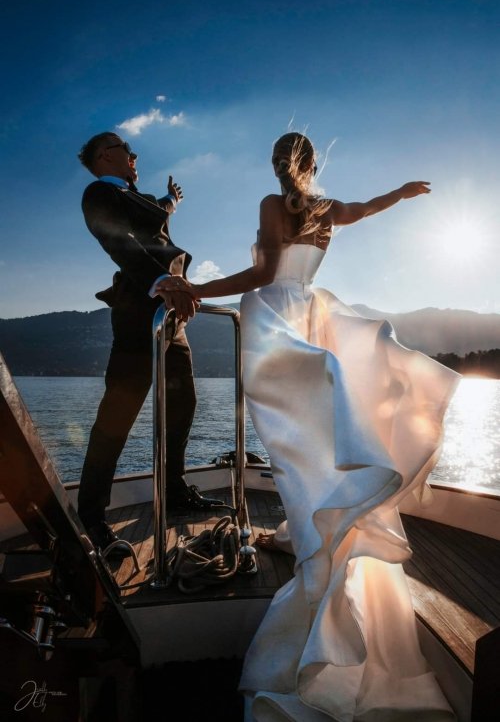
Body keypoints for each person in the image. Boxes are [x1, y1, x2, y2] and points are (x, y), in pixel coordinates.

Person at [154, 132, 460, 721]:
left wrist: (194, 288)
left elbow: (264, 271)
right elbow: (365, 209)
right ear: (313, 163)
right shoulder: (327, 209)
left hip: (275, 320)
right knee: (310, 442)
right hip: (309, 316)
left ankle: (314, 542)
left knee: (293, 445)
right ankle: (313, 532)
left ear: (277, 165)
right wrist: (401, 192)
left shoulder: (274, 204)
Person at [76, 132, 222, 555]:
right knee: (116, 418)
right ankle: (90, 517)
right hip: (140, 316)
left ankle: (173, 490)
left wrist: (172, 200)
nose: (134, 155)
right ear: (106, 155)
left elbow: (157, 212)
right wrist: (161, 280)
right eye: (128, 149)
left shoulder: (136, 198)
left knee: (184, 403)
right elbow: (118, 239)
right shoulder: (99, 194)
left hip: (172, 319)